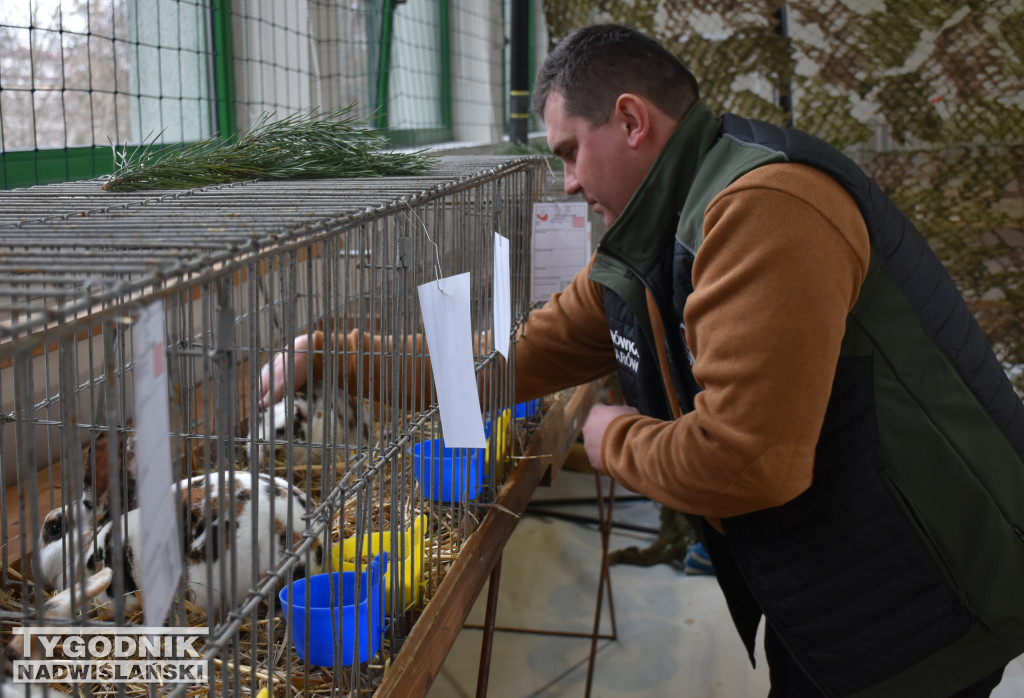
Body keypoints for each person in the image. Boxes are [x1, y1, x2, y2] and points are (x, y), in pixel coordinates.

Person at [260, 24, 1024, 698]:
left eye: (567, 153)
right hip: (841, 579)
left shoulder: (762, 209)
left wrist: (603, 433)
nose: (566, 182)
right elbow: (503, 363)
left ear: (630, 120)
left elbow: (748, 461)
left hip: (924, 585)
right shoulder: (648, 243)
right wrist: (327, 354)